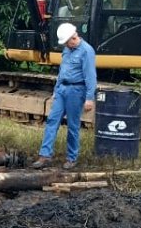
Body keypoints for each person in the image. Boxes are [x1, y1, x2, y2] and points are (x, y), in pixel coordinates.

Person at [31, 22, 97, 170]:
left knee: (73, 125)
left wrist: (89, 98)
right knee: (52, 120)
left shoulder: (87, 51)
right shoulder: (67, 50)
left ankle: (71, 158)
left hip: (76, 90)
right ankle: (45, 155)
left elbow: (90, 76)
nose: (66, 45)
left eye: (67, 42)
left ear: (73, 38)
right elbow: (62, 70)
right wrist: (56, 89)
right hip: (62, 89)